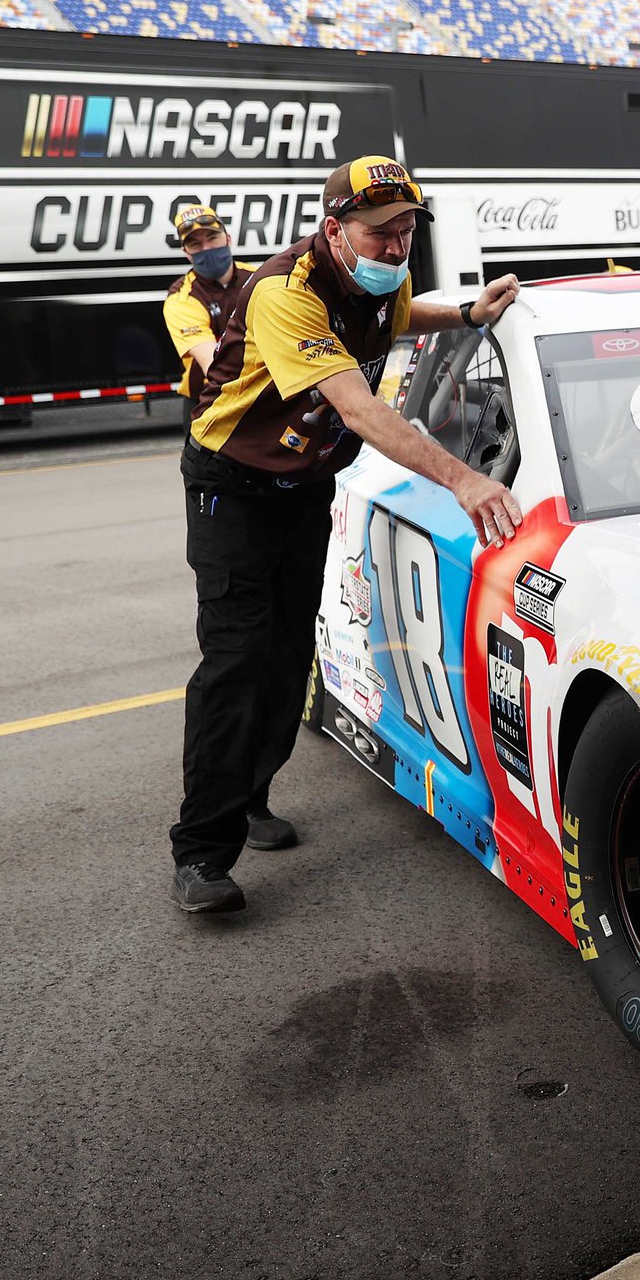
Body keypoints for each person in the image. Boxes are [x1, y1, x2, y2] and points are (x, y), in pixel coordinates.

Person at [169, 155, 523, 915]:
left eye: (406, 233)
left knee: (291, 650)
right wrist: (462, 477)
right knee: (237, 660)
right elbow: (362, 409)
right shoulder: (283, 293)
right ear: (334, 230)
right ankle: (200, 850)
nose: (396, 249)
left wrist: (465, 314)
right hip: (232, 488)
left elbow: (403, 315)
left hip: (304, 485)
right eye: (380, 233)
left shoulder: (375, 279)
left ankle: (250, 796)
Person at [158, 205, 256, 407]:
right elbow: (214, 366)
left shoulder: (257, 279)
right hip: (208, 399)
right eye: (195, 244)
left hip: (263, 391)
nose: (206, 249)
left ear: (228, 239)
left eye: (212, 238)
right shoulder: (181, 298)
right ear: (186, 252)